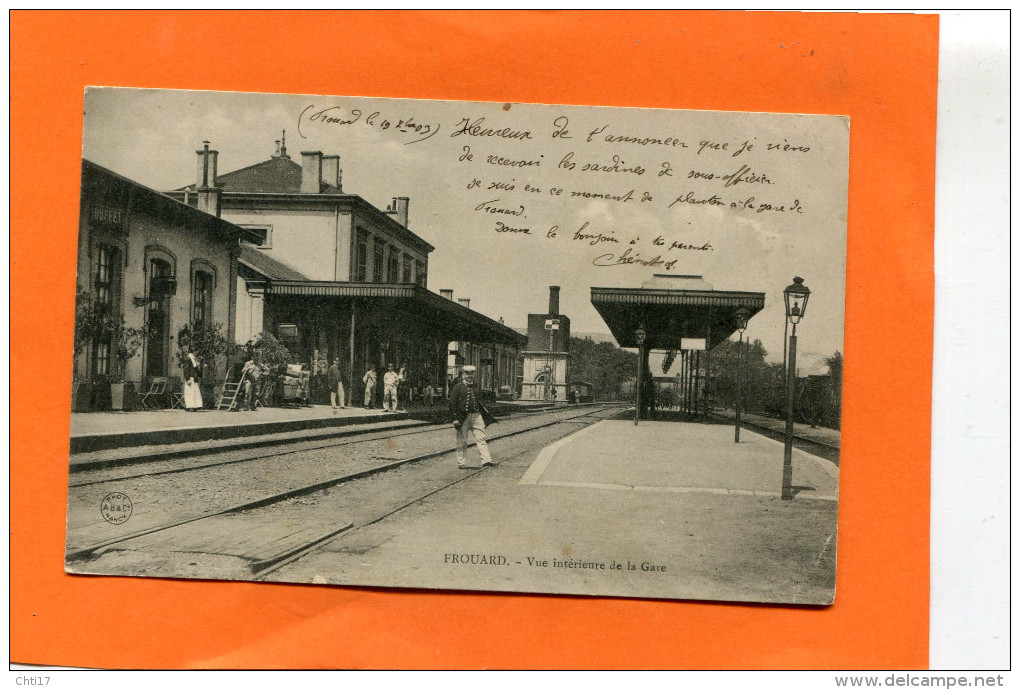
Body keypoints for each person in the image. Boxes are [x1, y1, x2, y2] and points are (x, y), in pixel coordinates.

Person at [449, 365, 495, 468]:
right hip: (463, 417)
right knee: (462, 441)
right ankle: (461, 462)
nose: (470, 375)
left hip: (476, 416)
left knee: (481, 438)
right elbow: (452, 403)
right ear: (463, 374)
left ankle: (486, 460)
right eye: (467, 373)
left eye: (471, 373)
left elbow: (481, 402)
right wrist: (455, 418)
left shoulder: (476, 387)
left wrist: (485, 413)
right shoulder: (457, 387)